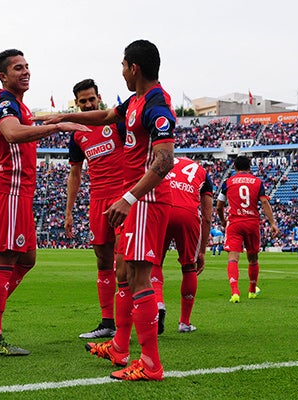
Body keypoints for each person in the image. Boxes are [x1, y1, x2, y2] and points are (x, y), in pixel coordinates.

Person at [36, 39, 175, 381]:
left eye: (123, 67)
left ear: (134, 68)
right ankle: (120, 348)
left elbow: (166, 159)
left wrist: (129, 198)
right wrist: (66, 117)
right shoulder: (135, 102)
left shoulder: (156, 104)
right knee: (126, 276)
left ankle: (151, 364)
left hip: (144, 200)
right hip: (132, 199)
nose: (122, 73)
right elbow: (105, 115)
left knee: (139, 277)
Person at [0, 49, 88, 356]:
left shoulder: (18, 103)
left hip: (21, 193)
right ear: (3, 76)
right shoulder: (6, 103)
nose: (25, 71)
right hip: (8, 190)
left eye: (27, 66)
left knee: (28, 259)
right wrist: (57, 127)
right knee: (5, 260)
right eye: (17, 68)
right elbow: (11, 133)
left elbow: (27, 124)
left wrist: (58, 118)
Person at [65, 78, 125, 339]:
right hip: (97, 200)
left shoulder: (117, 122)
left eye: (92, 99)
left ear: (99, 97)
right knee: (103, 260)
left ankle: (131, 320)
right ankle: (107, 323)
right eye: (83, 101)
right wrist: (68, 211)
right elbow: (75, 173)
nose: (88, 104)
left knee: (125, 262)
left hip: (124, 197)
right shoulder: (77, 134)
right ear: (77, 104)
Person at [151, 157, 213, 334]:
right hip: (187, 214)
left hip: (162, 209)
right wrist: (201, 251)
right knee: (189, 267)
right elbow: (207, 217)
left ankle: (158, 302)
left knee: (154, 263)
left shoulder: (162, 160)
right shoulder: (202, 171)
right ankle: (184, 323)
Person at [216, 155, 279, 304]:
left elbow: (219, 206)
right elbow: (264, 202)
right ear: (250, 168)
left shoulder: (227, 182)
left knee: (233, 257)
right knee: (253, 258)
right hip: (252, 222)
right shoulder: (257, 182)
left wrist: (223, 220)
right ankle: (252, 290)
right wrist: (272, 223)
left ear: (235, 168)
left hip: (235, 222)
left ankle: (235, 291)